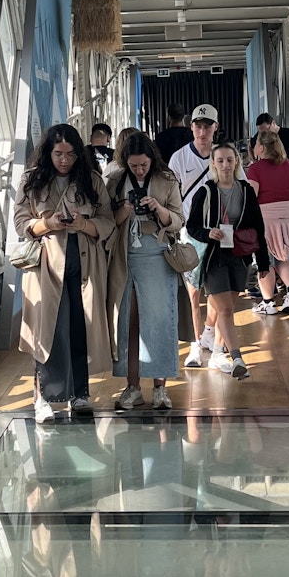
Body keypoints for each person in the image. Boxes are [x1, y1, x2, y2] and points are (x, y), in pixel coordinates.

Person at [14, 124, 116, 422]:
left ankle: (80, 394)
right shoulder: (31, 181)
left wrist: (84, 224)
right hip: (46, 266)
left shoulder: (92, 181)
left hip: (84, 264)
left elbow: (108, 221)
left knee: (79, 326)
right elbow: (21, 223)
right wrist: (49, 224)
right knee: (48, 330)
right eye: (58, 154)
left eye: (71, 154)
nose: (64, 160)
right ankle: (44, 396)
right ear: (48, 152)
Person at [105, 133, 184, 410]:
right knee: (127, 320)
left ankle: (160, 387)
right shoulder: (115, 182)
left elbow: (177, 220)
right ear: (125, 162)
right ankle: (132, 386)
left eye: (144, 165)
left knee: (160, 320)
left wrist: (158, 208)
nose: (139, 170)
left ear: (152, 158)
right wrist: (125, 210)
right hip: (125, 255)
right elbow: (107, 223)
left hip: (157, 252)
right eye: (134, 165)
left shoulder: (167, 179)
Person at [169, 104, 246, 367]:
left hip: (223, 232)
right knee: (193, 292)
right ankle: (195, 345)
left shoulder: (224, 156)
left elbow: (241, 189)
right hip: (191, 233)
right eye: (198, 126)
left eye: (207, 126)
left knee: (219, 292)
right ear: (191, 127)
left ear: (215, 128)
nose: (202, 131)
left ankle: (213, 342)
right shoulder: (179, 158)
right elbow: (172, 195)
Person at [186, 143, 269, 379]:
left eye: (230, 160)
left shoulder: (245, 190)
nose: (225, 165)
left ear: (236, 162)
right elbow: (192, 226)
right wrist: (208, 233)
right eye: (220, 160)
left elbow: (258, 226)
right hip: (214, 257)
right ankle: (236, 357)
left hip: (239, 255)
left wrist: (263, 262)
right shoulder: (205, 192)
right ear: (213, 163)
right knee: (224, 308)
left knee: (228, 306)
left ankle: (210, 338)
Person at [246, 130, 289, 315]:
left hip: (266, 220)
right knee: (284, 255)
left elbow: (252, 197)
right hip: (288, 217)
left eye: (256, 144)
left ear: (262, 148)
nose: (254, 147)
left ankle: (268, 303)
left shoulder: (255, 169)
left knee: (265, 260)